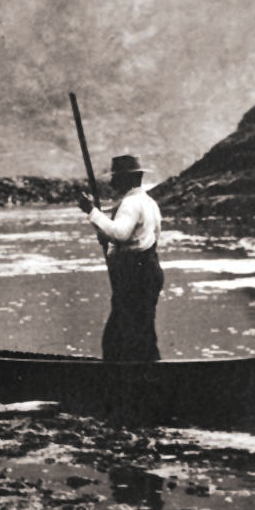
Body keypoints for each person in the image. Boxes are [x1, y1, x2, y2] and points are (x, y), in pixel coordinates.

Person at [78, 153, 164, 362]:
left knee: (116, 338)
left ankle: (121, 382)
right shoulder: (149, 202)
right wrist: (108, 239)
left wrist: (91, 211)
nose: (113, 181)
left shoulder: (131, 203)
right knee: (142, 333)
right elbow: (148, 236)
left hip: (135, 276)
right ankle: (152, 373)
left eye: (117, 177)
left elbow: (120, 233)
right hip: (149, 271)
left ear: (129, 179)